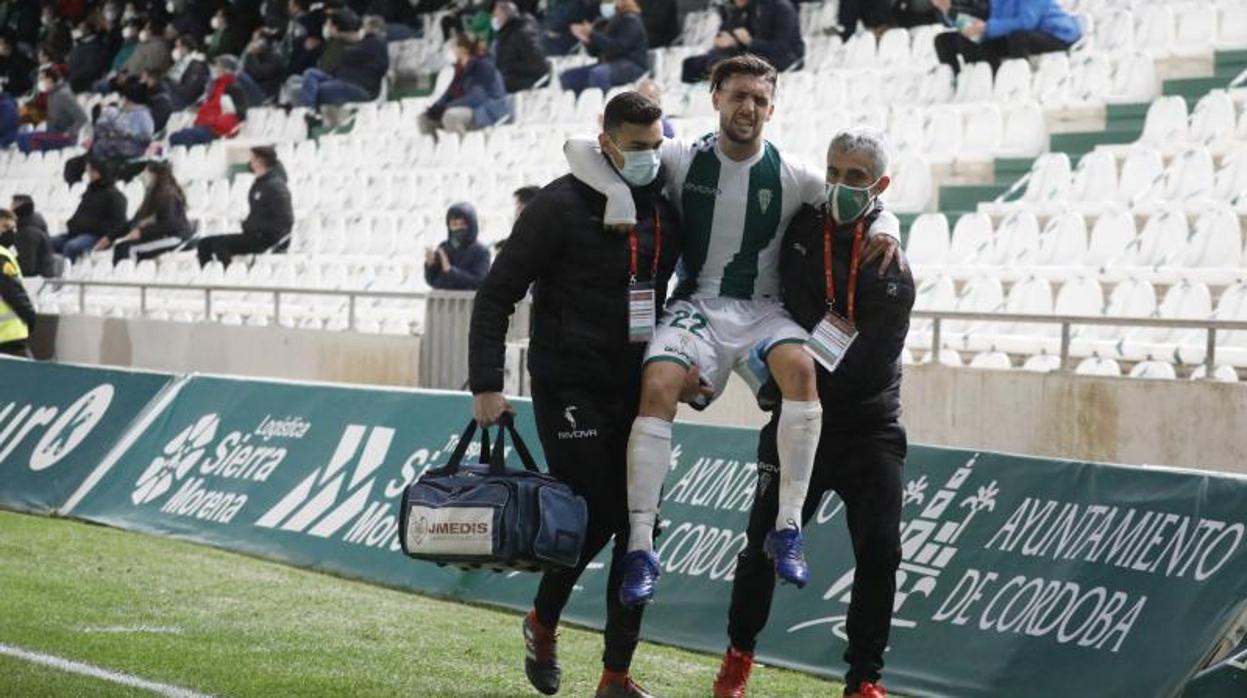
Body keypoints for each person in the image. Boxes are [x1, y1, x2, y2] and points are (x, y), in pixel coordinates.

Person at [564, 55, 902, 607]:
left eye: (760, 100)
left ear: (772, 108)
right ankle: (642, 547)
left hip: (763, 310)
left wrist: (888, 228)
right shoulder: (679, 157)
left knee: (801, 369)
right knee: (657, 386)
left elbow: (872, 200)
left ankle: (788, 528)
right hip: (698, 306)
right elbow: (580, 146)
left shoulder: (793, 174)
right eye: (739, 95)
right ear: (715, 96)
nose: (749, 108)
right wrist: (620, 195)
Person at [470, 91, 694, 698]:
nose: (648, 158)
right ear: (607, 141)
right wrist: (487, 384)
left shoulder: (663, 213)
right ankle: (543, 622)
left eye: (656, 146)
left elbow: (682, 292)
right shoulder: (557, 206)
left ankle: (614, 678)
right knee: (603, 508)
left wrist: (687, 361)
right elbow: (496, 295)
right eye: (635, 146)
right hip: (567, 385)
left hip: (635, 388)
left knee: (641, 527)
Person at [712, 128, 914, 698]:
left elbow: (869, 370)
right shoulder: (801, 228)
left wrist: (785, 380)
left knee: (880, 552)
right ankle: (737, 657)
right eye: (834, 172)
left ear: (880, 186)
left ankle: (863, 681)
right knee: (760, 545)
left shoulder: (891, 268)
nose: (841, 185)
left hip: (866, 428)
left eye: (856, 178)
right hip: (797, 419)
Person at [197, 146, 293, 267]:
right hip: (255, 235)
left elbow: (285, 221)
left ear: (260, 161)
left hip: (269, 239)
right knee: (204, 244)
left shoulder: (276, 187)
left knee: (220, 245)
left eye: (252, 159)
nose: (250, 162)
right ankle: (209, 278)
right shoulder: (260, 184)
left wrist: (253, 225)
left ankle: (229, 277)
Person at [933, 0, 1081, 75]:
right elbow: (979, 20)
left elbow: (1026, 22)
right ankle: (986, 80)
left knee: (1017, 36)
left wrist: (987, 28)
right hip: (1022, 35)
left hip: (1056, 36)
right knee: (977, 41)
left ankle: (1018, 80)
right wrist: (947, 10)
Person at [681, 0, 803, 83]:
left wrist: (750, 42)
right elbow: (731, 34)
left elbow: (783, 47)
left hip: (783, 58)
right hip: (751, 54)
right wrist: (729, 41)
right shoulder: (746, 9)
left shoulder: (782, 8)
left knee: (729, 65)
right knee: (692, 64)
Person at [63, 77, 154, 184]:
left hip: (118, 160)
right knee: (74, 165)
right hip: (110, 155)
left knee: (78, 167)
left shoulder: (140, 117)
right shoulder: (130, 115)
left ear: (128, 99)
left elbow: (125, 141)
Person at [101, 161, 193, 264]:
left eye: (146, 173)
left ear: (155, 176)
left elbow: (169, 224)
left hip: (175, 237)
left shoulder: (168, 196)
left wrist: (142, 232)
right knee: (120, 247)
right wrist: (110, 237)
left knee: (129, 249)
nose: (143, 177)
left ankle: (128, 277)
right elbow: (135, 221)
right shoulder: (152, 196)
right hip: (159, 236)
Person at [419, 34, 510, 136]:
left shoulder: (483, 67)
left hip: (488, 110)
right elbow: (450, 93)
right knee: (424, 119)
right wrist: (435, 108)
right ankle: (436, 149)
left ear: (462, 50)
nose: (452, 51)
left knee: (450, 116)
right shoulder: (461, 68)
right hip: (472, 109)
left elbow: (476, 98)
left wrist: (445, 107)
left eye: (454, 47)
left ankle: (463, 148)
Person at [297, 9, 388, 108]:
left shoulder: (375, 44)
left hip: (357, 86)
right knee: (310, 73)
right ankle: (308, 110)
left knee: (316, 90)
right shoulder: (345, 43)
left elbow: (380, 68)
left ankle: (309, 111)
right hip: (339, 80)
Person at [559, 0, 648, 96]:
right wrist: (586, 40)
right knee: (568, 77)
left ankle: (606, 104)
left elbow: (619, 48)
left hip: (631, 64)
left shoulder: (632, 20)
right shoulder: (610, 21)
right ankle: (581, 105)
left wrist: (592, 34)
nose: (604, 4)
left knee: (599, 74)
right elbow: (596, 52)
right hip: (610, 63)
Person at [51, 158, 129, 263]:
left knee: (72, 247)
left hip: (96, 236)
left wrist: (106, 236)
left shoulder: (115, 196)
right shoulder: (91, 191)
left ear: (97, 172)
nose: (87, 174)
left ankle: (66, 274)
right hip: (76, 233)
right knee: (48, 243)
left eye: (89, 171)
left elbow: (119, 224)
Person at [168, 55, 249, 147]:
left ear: (227, 70)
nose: (215, 69)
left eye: (218, 66)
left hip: (216, 129)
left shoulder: (233, 88)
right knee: (177, 136)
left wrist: (214, 121)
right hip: (204, 125)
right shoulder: (215, 85)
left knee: (180, 137)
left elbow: (240, 114)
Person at [17, 67, 87, 153]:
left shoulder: (63, 95)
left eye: (42, 79)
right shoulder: (51, 94)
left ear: (50, 79)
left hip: (64, 137)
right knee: (22, 136)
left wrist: (70, 132)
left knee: (26, 139)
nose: (40, 82)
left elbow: (82, 118)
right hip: (53, 134)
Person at [424, 202, 492, 291]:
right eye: (454, 225)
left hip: (468, 303)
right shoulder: (444, 248)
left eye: (463, 224)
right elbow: (432, 281)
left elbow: (479, 281)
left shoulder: (481, 251)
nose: (458, 228)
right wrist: (430, 265)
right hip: (442, 302)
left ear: (471, 225)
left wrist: (450, 271)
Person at [0, 210, 36, 358]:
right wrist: (30, 316)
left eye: (13, 229)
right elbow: (12, 292)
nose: (11, 233)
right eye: (5, 227)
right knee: (31, 378)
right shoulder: (2, 256)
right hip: (9, 335)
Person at [492, 1, 548, 93]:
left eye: (497, 16)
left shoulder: (522, 32)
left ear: (505, 14)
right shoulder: (506, 33)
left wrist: (510, 66)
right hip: (509, 79)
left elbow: (538, 64)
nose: (495, 19)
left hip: (527, 83)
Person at [10, 195, 57, 278]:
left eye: (12, 205)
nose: (10, 209)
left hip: (37, 282)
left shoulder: (28, 232)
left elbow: (27, 267)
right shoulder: (30, 226)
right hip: (40, 278)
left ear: (19, 208)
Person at [65, 17, 110, 93]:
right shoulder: (80, 44)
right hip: (74, 83)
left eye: (80, 28)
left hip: (86, 87)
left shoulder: (96, 47)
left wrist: (73, 79)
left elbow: (91, 69)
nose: (77, 31)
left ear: (88, 30)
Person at [165, 34, 209, 110]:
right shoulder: (182, 61)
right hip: (175, 93)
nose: (175, 50)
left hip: (185, 101)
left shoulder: (197, 65)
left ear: (185, 48)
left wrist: (169, 82)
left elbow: (189, 91)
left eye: (177, 47)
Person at [0, 32, 34, 96]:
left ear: (7, 45)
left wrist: (6, 81)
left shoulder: (20, 60)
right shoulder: (3, 58)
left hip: (15, 93)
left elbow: (24, 82)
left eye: (0, 43)